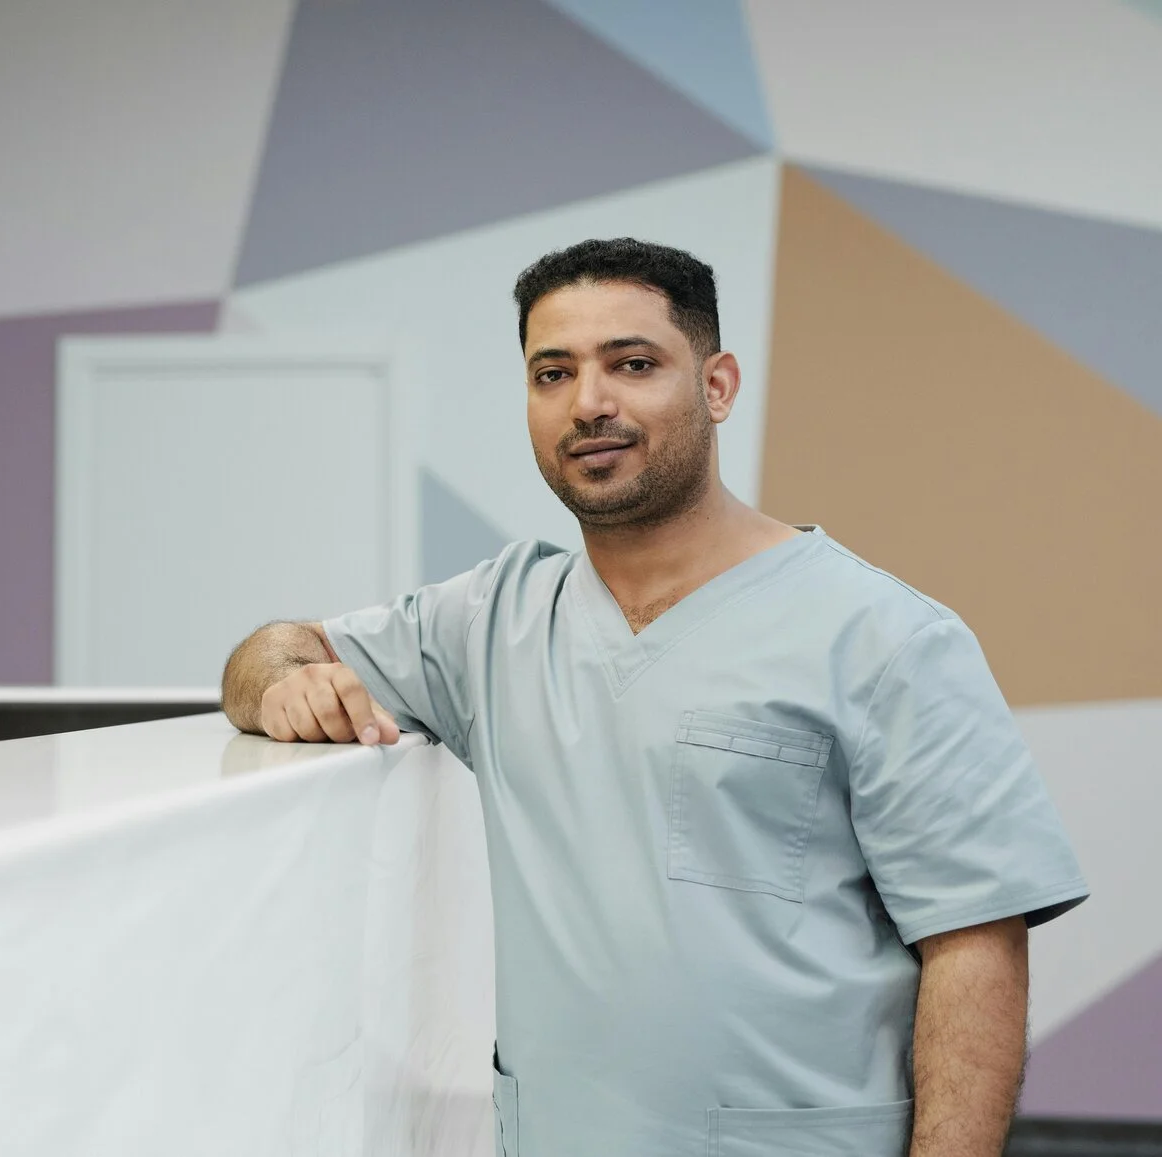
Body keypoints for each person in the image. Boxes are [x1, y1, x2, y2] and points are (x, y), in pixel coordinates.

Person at [222, 238, 1088, 1156]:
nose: (590, 402)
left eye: (632, 364)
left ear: (716, 386)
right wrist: (286, 679)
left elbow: (975, 948)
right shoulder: (490, 620)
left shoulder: (885, 637)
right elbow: (265, 651)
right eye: (552, 372)